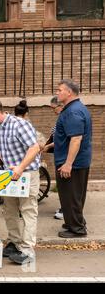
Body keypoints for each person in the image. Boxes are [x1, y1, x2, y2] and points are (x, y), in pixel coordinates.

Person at [0, 98, 40, 265]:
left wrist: (20, 167)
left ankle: (27, 250)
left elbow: (34, 148)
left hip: (27, 173)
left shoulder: (19, 125)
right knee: (9, 209)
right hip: (9, 175)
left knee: (27, 209)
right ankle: (14, 242)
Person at [54, 80, 92, 238]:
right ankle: (73, 222)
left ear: (69, 92)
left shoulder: (73, 112)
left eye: (59, 90)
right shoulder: (75, 108)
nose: (57, 93)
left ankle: (77, 229)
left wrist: (68, 164)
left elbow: (76, 139)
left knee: (72, 196)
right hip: (76, 161)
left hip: (72, 164)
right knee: (74, 195)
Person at [42, 96, 64, 220]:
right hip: (59, 154)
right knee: (62, 185)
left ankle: (66, 210)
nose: (53, 111)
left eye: (53, 108)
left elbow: (61, 139)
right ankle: (64, 207)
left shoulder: (64, 118)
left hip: (62, 155)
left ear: (60, 106)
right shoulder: (61, 118)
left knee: (65, 185)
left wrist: (47, 146)